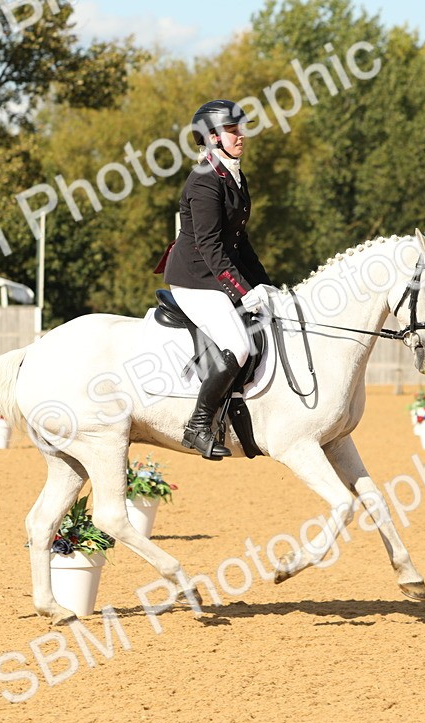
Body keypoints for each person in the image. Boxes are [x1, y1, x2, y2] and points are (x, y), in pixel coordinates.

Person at [163, 99, 273, 460]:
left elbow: (240, 242)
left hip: (216, 275)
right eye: (232, 130)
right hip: (194, 279)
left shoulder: (233, 175)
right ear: (212, 137)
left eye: (240, 129)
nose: (241, 136)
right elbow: (210, 247)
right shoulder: (204, 180)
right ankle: (198, 425)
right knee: (238, 346)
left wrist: (266, 285)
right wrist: (243, 292)